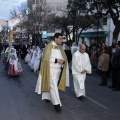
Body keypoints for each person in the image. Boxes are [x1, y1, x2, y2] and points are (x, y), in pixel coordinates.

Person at [35, 33, 69, 112]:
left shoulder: (60, 48)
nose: (62, 40)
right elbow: (45, 59)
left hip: (58, 71)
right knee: (53, 86)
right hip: (50, 70)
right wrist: (56, 60)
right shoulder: (49, 46)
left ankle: (47, 97)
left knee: (53, 86)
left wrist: (63, 61)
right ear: (56, 38)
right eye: (60, 38)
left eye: (62, 38)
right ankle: (57, 104)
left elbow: (64, 58)